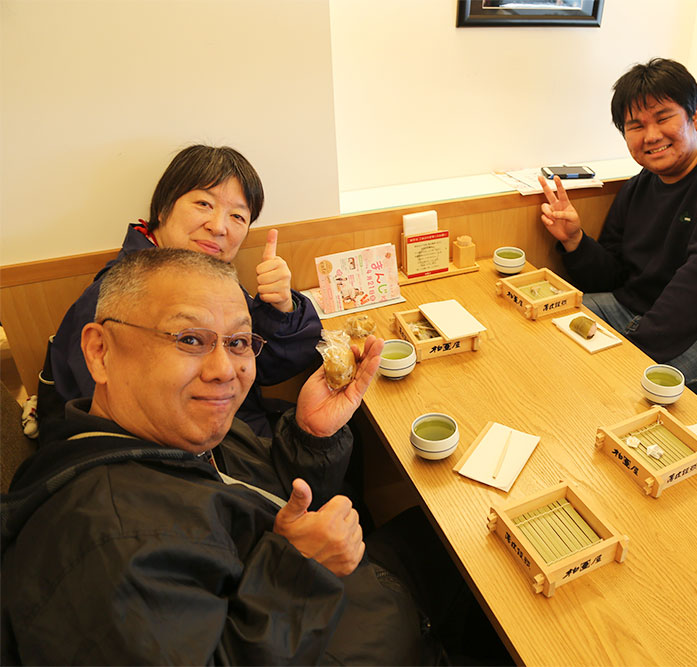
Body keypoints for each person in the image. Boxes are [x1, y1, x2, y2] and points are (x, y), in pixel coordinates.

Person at [1, 249, 503, 664]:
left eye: (239, 341)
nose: (224, 369)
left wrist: (309, 435)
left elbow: (270, 498)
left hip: (361, 598)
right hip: (343, 627)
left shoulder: (178, 433)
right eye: (190, 339)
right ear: (100, 352)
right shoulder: (106, 545)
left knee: (467, 536)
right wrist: (300, 570)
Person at [38, 145, 321, 438]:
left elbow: (264, 367)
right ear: (163, 208)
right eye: (204, 204)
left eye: (237, 216)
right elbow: (125, 431)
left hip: (231, 431)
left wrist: (282, 309)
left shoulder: (206, 277)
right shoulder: (118, 295)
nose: (218, 226)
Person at [538, 58, 697, 396]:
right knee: (541, 327)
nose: (651, 136)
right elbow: (615, 277)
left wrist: (624, 351)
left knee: (618, 388)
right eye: (635, 126)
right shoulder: (638, 186)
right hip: (633, 311)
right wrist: (576, 241)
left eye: (664, 118)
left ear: (695, 116)